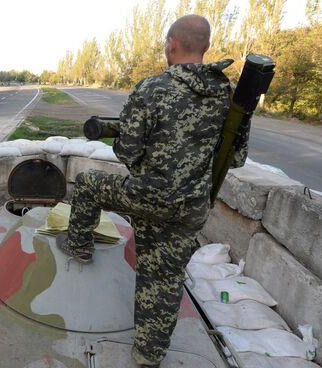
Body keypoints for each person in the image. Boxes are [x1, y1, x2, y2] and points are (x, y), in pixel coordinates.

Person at [56, 14, 248, 367]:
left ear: (171, 44)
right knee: (163, 279)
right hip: (190, 207)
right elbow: (235, 157)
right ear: (205, 47)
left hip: (146, 197)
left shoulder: (152, 88)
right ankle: (148, 355)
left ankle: (79, 247)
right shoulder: (228, 96)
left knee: (87, 184)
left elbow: (127, 152)